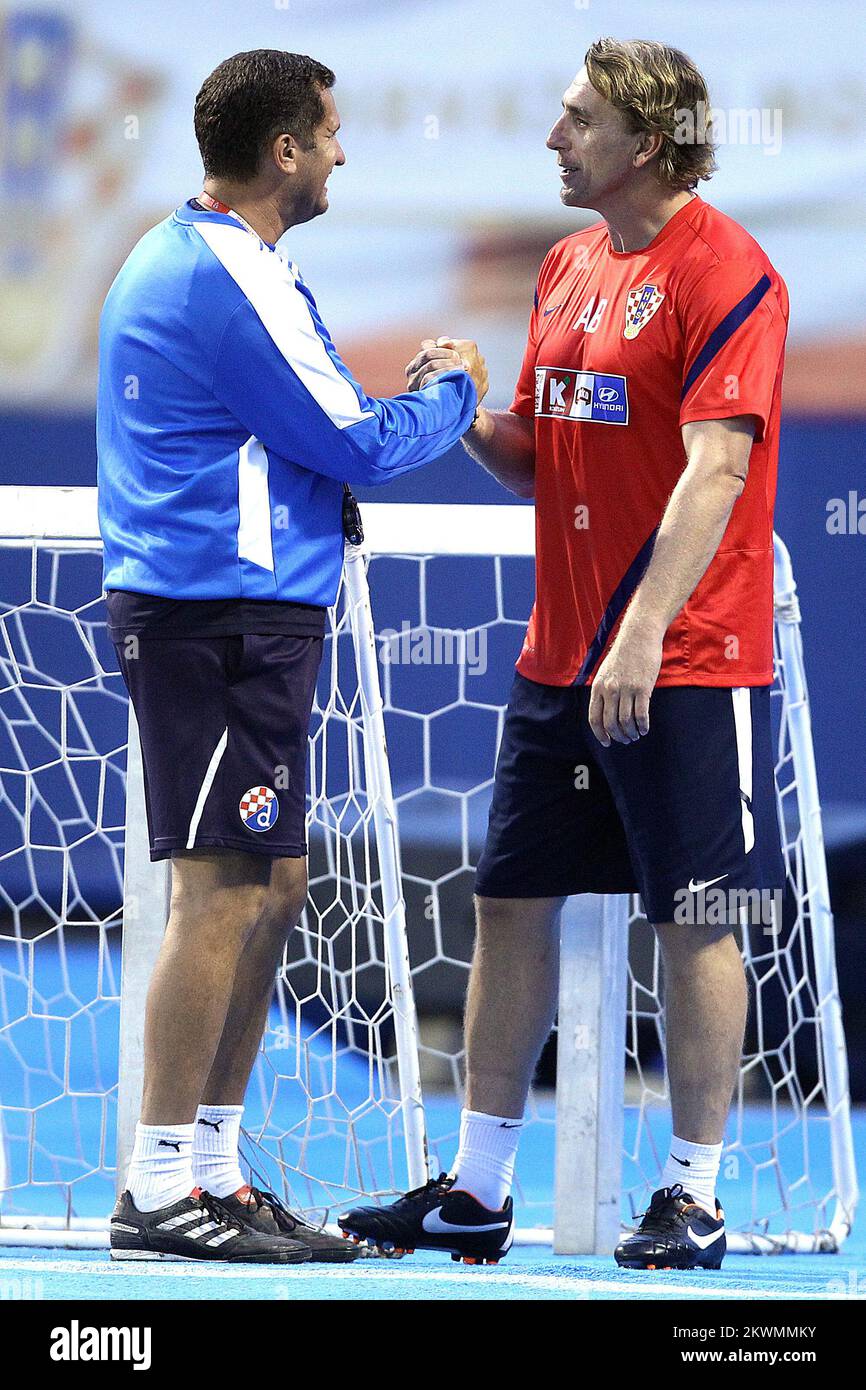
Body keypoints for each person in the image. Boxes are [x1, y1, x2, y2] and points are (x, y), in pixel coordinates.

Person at [340, 36, 788, 1271]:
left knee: (700, 916)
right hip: (558, 661)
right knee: (508, 905)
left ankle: (690, 1194)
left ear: (644, 141)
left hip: (685, 656)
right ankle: (478, 1189)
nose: (551, 137)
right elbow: (538, 456)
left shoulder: (729, 271)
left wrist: (642, 631)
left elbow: (717, 470)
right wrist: (462, 413)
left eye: (575, 118)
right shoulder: (565, 266)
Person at [99, 48, 487, 1264]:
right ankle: (159, 1183)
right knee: (218, 892)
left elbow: (294, 442)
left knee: (268, 886)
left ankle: (210, 1171)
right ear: (282, 151)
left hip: (239, 620)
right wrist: (457, 394)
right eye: (327, 134)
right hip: (218, 620)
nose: (338, 154)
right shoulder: (227, 273)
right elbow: (355, 442)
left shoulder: (230, 262)